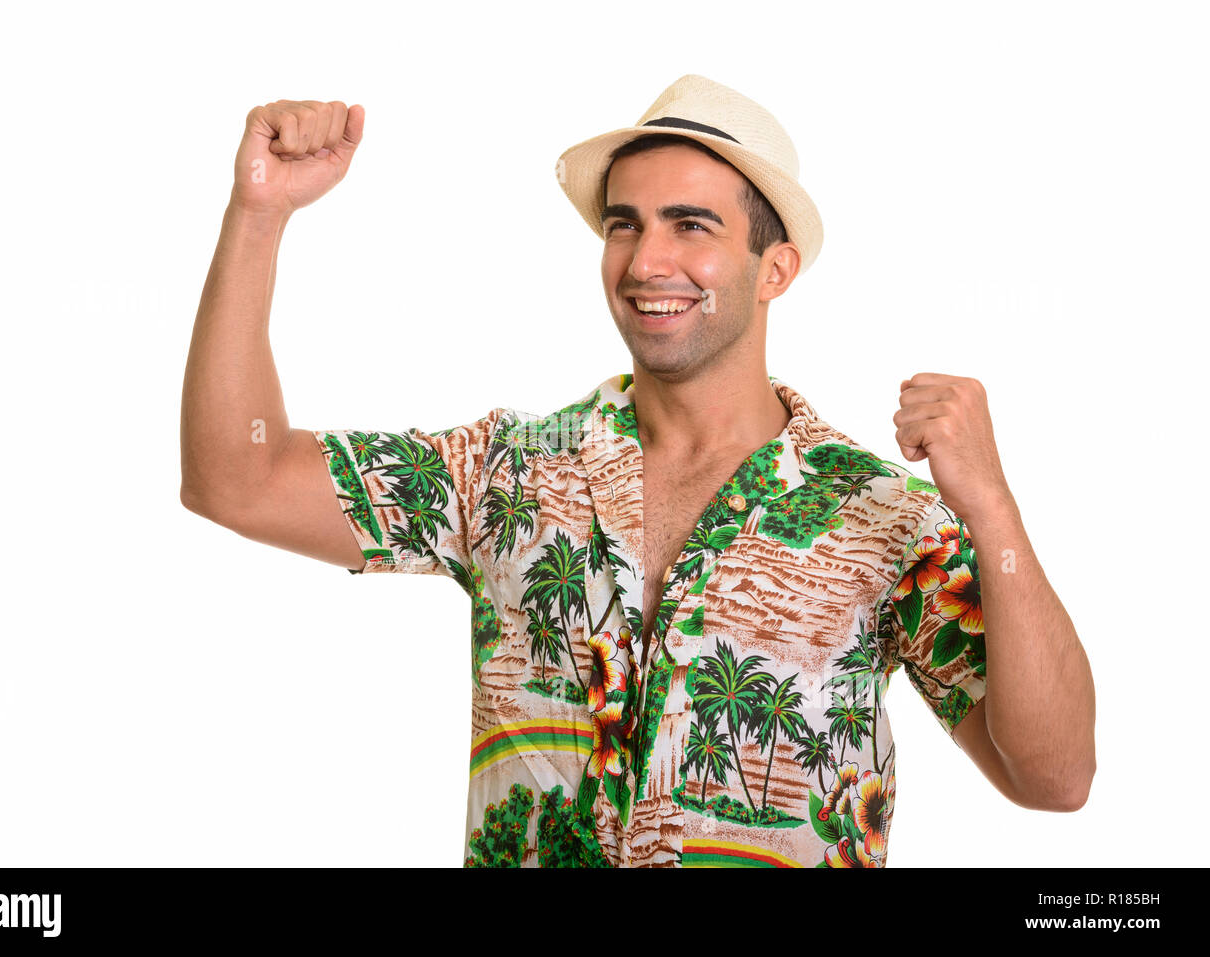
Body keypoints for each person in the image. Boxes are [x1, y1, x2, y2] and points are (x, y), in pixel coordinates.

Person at [180, 75, 1095, 867]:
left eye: (690, 224)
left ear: (774, 267)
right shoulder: (505, 470)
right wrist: (259, 215)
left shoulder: (881, 515)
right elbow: (237, 476)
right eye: (625, 224)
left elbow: (1053, 777)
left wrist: (995, 513)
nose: (646, 260)